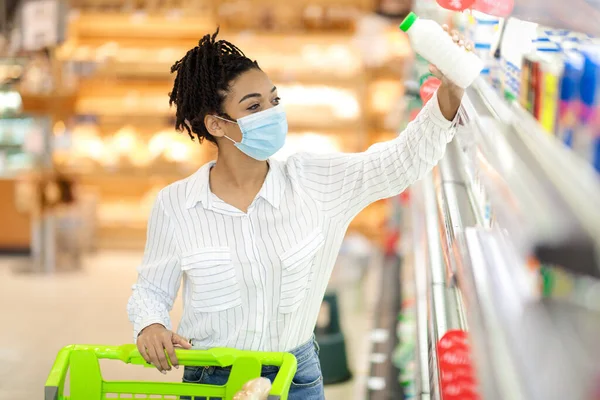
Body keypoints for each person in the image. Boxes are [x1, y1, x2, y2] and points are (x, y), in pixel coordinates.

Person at [127, 28, 467, 400]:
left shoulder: (315, 183)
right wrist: (151, 325)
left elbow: (399, 162)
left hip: (293, 377)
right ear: (217, 124)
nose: (271, 114)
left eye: (274, 100)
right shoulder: (177, 204)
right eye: (254, 107)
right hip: (213, 380)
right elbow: (151, 289)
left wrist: (450, 92)